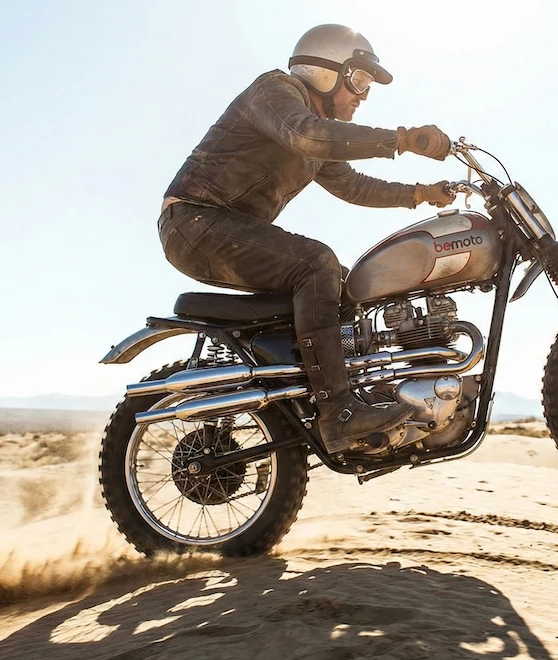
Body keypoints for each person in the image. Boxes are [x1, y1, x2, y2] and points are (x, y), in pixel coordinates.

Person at [158, 24, 455, 454]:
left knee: (353, 286)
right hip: (194, 221)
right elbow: (305, 134)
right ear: (323, 70)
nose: (363, 95)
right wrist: (402, 140)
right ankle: (339, 412)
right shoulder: (275, 91)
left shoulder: (318, 135)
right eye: (359, 81)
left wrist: (419, 194)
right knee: (317, 263)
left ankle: (346, 398)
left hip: (228, 230)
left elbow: (353, 186)